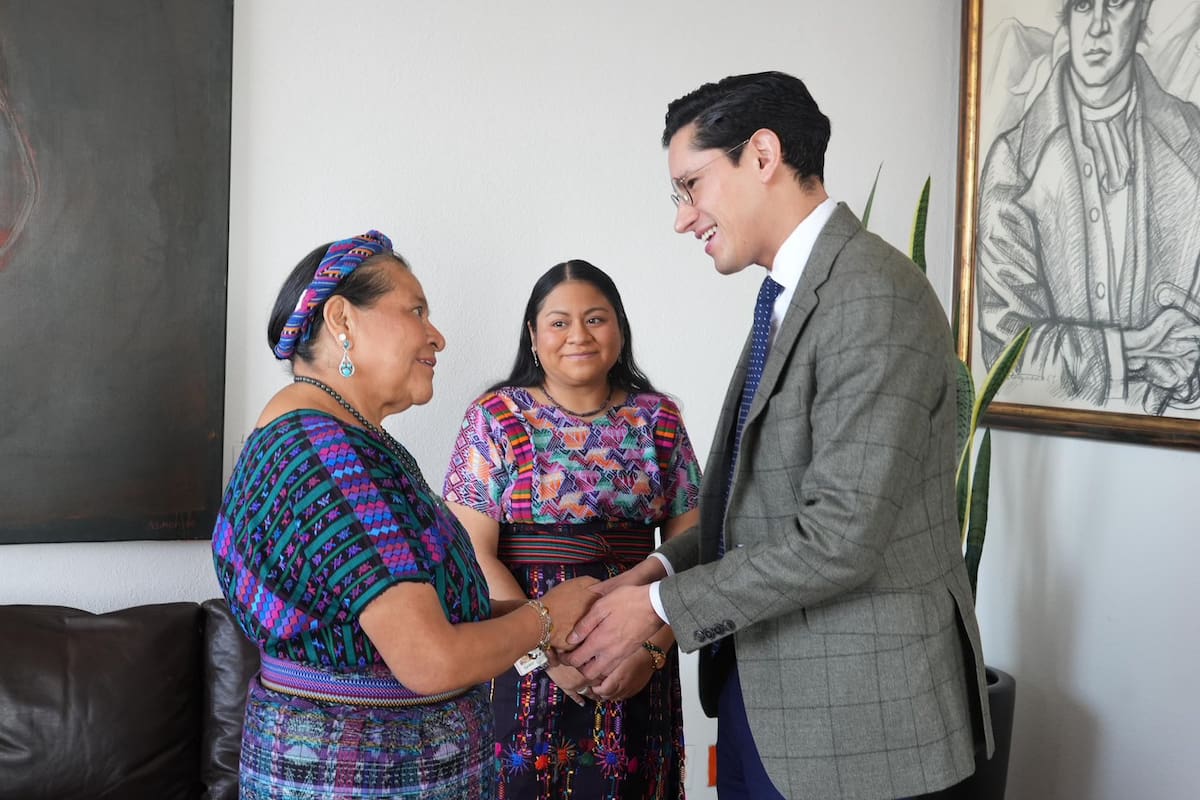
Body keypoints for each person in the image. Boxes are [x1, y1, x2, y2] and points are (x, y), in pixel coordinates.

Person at [562, 72, 994, 800]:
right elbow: (758, 501)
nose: (683, 218)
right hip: (767, 702)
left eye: (691, 185)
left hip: (861, 734)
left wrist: (662, 610)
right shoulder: (791, 294)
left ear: (763, 155)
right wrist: (662, 570)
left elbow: (840, 536)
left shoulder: (873, 295)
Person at [211, 230, 597, 800]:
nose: (436, 336)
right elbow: (427, 658)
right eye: (415, 309)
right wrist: (543, 619)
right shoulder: (328, 457)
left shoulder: (326, 439)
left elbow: (391, 613)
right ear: (342, 318)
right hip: (363, 779)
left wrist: (522, 619)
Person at [442, 259, 702, 800]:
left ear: (620, 330)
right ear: (533, 338)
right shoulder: (494, 417)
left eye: (596, 319)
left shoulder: (661, 420)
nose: (578, 335)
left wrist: (652, 652)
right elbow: (471, 553)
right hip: (520, 654)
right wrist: (541, 654)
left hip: (638, 651)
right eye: (558, 322)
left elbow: (693, 550)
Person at [976, 0, 1200, 414]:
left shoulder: (1194, 143)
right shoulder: (1013, 162)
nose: (1096, 26)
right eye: (1082, 5)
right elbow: (1005, 358)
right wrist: (1133, 349)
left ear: (1143, 12)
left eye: (1115, 4)